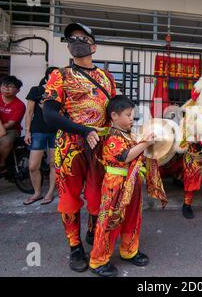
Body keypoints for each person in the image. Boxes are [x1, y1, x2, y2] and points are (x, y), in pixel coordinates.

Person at [42, 23, 116, 273]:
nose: (76, 41)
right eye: (71, 38)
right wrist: (84, 131)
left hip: (100, 148)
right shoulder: (59, 76)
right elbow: (49, 115)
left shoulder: (107, 78)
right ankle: (75, 247)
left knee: (98, 196)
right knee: (70, 199)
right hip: (70, 149)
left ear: (93, 46)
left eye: (82, 38)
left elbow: (115, 113)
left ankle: (93, 232)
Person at [89, 96, 167, 277]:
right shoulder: (112, 137)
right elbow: (125, 156)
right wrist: (145, 143)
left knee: (132, 218)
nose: (132, 118)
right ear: (114, 116)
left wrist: (147, 142)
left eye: (132, 115)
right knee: (109, 221)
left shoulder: (128, 133)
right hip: (115, 185)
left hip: (132, 183)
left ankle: (129, 250)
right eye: (128, 115)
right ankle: (98, 260)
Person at [23, 67, 59, 205]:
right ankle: (37, 192)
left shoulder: (60, 92)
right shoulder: (36, 90)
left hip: (56, 131)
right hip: (38, 131)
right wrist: (27, 131)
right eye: (55, 74)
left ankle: (50, 192)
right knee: (33, 166)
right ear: (48, 75)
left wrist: (48, 109)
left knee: (53, 164)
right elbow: (29, 112)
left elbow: (65, 114)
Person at [0, 76, 26, 172]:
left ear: (18, 90)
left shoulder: (20, 105)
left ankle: (1, 162)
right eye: (4, 86)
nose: (6, 89)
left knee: (6, 141)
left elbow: (11, 124)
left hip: (11, 129)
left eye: (10, 87)